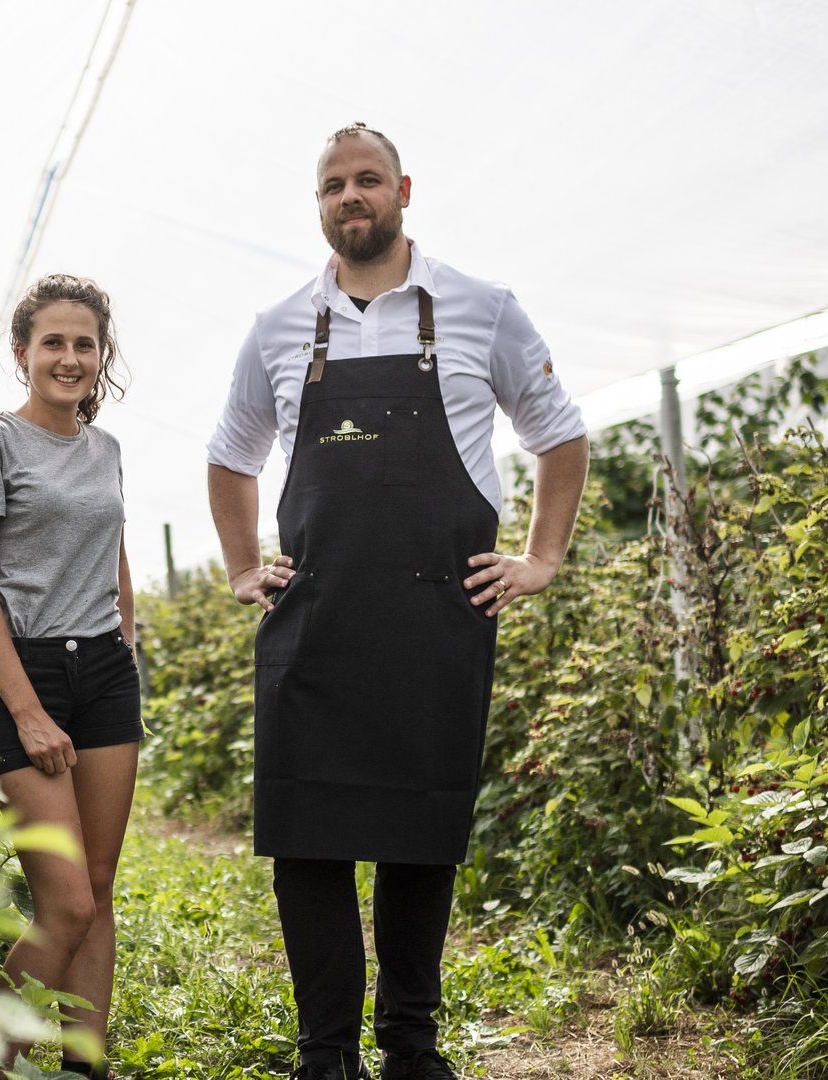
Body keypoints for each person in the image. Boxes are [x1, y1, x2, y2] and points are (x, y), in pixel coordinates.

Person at [204, 123, 590, 1080]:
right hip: (316, 622)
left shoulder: (481, 308)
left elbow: (559, 433)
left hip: (435, 617)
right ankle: (325, 1052)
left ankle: (411, 1046)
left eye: (367, 180)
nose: (351, 197)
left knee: (423, 834)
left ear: (404, 190)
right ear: (320, 203)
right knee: (309, 839)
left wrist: (541, 558)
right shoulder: (281, 325)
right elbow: (230, 453)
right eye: (333, 185)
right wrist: (243, 566)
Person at [0, 273, 142, 1080]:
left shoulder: (106, 450)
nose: (69, 358)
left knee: (98, 889)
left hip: (102, 668)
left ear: (102, 356)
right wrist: (27, 711)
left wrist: (127, 647)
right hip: (20, 670)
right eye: (53, 343)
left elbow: (113, 557)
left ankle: (84, 1069)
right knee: (63, 904)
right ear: (22, 352)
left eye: (84, 344)